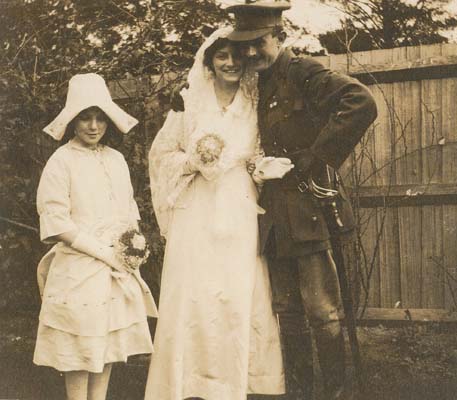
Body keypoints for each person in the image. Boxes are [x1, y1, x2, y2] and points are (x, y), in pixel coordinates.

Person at [226, 2, 379, 399]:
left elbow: (361, 102)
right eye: (244, 46)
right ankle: (299, 391)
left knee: (323, 313)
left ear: (279, 35)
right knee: (288, 315)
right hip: (275, 216)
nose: (251, 53)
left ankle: (334, 393)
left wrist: (313, 160)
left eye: (258, 42)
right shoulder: (257, 84)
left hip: (309, 209)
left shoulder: (304, 72)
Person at [145, 27, 291, 400]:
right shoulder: (188, 103)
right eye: (221, 56)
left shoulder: (255, 99)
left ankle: (234, 383)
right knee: (195, 292)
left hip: (239, 206)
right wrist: (194, 160)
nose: (230, 63)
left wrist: (262, 168)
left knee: (234, 292)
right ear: (209, 62)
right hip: (197, 208)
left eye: (236, 56)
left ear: (246, 59)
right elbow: (161, 155)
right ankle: (189, 382)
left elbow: (257, 152)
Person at [33, 73, 158, 400]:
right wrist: (103, 252)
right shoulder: (61, 161)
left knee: (108, 346)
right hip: (80, 266)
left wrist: (131, 248)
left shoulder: (115, 160)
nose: (93, 126)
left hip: (116, 269)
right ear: (73, 121)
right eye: (85, 118)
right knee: (79, 348)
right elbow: (57, 222)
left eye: (100, 118)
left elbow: (128, 208)